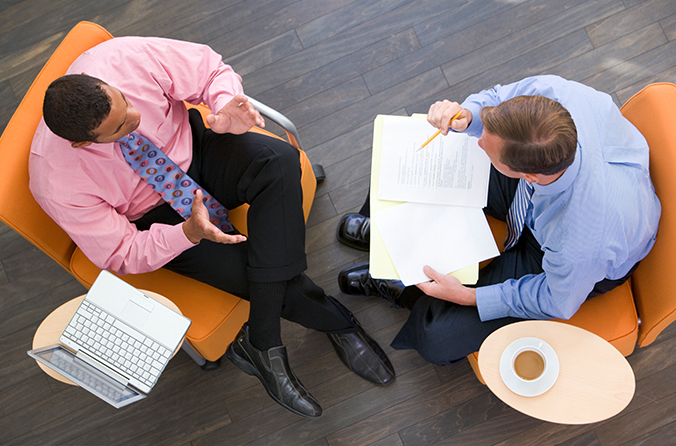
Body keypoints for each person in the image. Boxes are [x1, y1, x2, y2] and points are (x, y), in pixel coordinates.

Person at [30, 36, 394, 418]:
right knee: (255, 272)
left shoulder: (119, 58)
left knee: (279, 158)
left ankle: (263, 339)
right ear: (83, 144)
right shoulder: (55, 179)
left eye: (127, 101)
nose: (135, 117)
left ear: (103, 81)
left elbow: (208, 69)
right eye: (121, 126)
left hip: (195, 149)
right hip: (160, 217)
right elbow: (120, 252)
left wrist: (222, 103)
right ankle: (338, 322)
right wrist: (186, 233)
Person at [337, 75, 660, 366]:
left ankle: (402, 286)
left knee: (436, 336)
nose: (479, 142)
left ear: (528, 175)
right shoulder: (554, 95)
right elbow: (494, 99)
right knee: (412, 161)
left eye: (487, 148)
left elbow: (555, 300)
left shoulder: (581, 240)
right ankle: (389, 241)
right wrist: (467, 116)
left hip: (569, 261)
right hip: (548, 200)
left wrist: (469, 297)